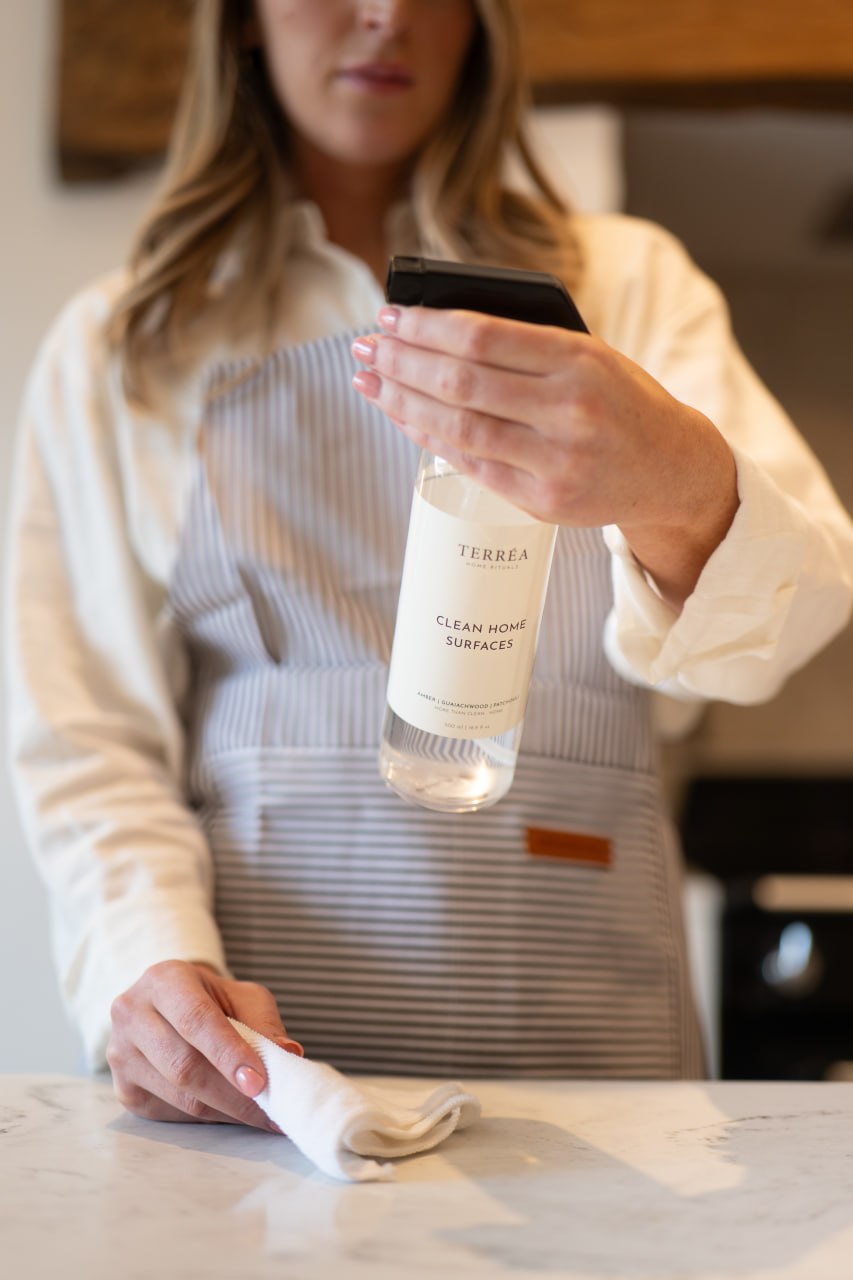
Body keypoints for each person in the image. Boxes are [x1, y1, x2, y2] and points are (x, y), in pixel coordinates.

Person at [6, 0, 853, 1134]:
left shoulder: (630, 284)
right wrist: (149, 961)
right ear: (244, 20)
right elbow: (87, 736)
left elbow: (792, 615)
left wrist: (673, 478)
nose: (385, 14)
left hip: (596, 1051)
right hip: (266, 1071)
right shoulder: (124, 343)